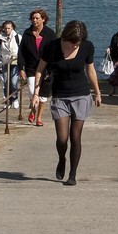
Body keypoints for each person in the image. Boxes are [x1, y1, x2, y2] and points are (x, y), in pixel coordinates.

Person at [35, 19, 102, 187]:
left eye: (78, 43)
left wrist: (97, 92)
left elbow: (91, 70)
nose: (76, 46)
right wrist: (36, 93)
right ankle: (61, 158)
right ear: (66, 37)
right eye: (73, 43)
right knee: (62, 139)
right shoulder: (52, 46)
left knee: (75, 137)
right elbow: (40, 69)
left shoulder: (87, 46)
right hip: (60, 97)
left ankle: (72, 174)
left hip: (81, 95)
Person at [18, 7, 50, 126]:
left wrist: (52, 69)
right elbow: (21, 52)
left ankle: (39, 117)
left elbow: (55, 51)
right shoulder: (27, 33)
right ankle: (33, 109)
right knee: (32, 91)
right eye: (33, 18)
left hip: (46, 68)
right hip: (31, 67)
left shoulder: (50, 34)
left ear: (43, 19)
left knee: (43, 95)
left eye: (37, 18)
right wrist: (21, 68)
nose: (34, 20)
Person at [0, 19, 20, 101]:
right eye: (5, 28)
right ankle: (7, 99)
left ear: (12, 28)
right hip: (5, 62)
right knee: (5, 82)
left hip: (15, 62)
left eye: (9, 28)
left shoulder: (18, 37)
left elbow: (22, 50)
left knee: (13, 82)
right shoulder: (0, 38)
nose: (7, 30)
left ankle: (14, 98)